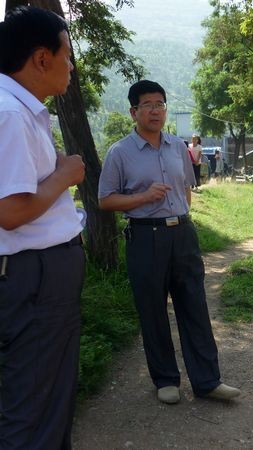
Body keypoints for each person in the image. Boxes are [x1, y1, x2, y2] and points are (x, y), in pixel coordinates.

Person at [98, 80, 240, 405]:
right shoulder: (120, 152)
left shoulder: (178, 146)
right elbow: (105, 200)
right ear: (134, 111)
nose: (155, 111)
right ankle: (165, 379)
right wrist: (143, 198)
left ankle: (208, 381)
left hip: (183, 234)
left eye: (160, 104)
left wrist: (180, 219)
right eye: (147, 105)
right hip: (144, 236)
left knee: (195, 306)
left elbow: (186, 189)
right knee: (153, 310)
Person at [0, 7, 86, 449]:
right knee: (34, 405)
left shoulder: (20, 110)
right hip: (34, 276)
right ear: (41, 58)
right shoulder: (10, 115)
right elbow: (10, 212)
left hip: (38, 275)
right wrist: (65, 174)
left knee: (48, 395)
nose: (71, 66)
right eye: (67, 55)